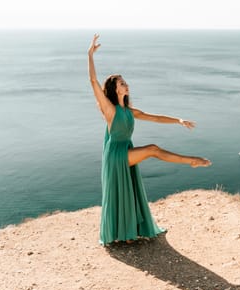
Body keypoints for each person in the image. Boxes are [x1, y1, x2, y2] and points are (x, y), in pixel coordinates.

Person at [88, 34, 211, 246]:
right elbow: (93, 81)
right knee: (153, 149)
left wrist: (178, 120)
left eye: (125, 82)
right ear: (115, 89)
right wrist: (90, 54)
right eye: (122, 83)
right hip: (116, 155)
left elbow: (155, 117)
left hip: (125, 150)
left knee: (141, 169)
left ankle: (127, 232)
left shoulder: (130, 111)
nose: (126, 85)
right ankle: (191, 160)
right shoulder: (110, 110)